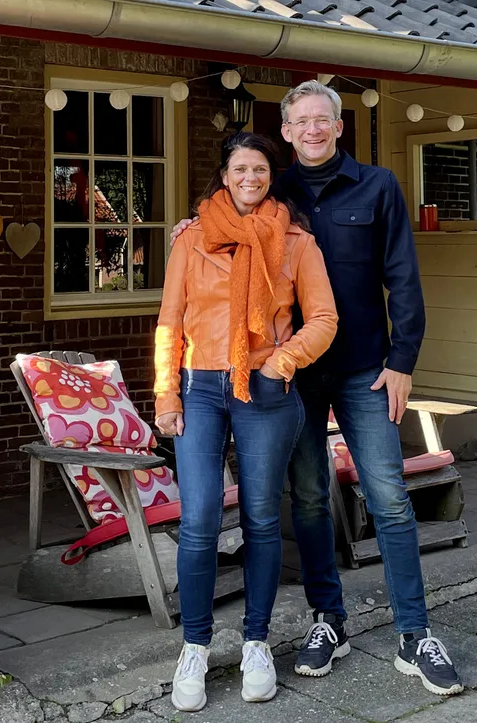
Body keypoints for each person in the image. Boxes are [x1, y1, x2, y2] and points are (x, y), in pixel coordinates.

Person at [173, 80, 463, 696]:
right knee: (306, 500)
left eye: (322, 120)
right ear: (286, 130)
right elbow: (225, 212)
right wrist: (190, 228)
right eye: (301, 121)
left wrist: (403, 359)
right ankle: (328, 620)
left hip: (364, 368)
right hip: (292, 378)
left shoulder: (378, 186)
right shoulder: (272, 190)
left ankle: (415, 633)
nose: (312, 130)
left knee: (388, 496)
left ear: (337, 126)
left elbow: (403, 278)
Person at [154, 132, 338, 712]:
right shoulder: (191, 237)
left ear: (269, 176)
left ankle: (256, 641)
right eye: (240, 168)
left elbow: (325, 319)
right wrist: (166, 396)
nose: (250, 177)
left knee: (261, 516)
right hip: (202, 386)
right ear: (225, 175)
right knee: (201, 516)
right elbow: (169, 320)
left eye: (260, 169)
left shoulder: (295, 242)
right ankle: (195, 648)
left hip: (265, 386)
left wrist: (283, 359)